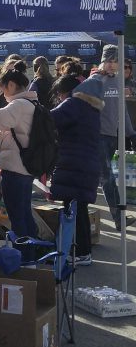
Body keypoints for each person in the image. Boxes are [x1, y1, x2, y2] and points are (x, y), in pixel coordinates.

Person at [0, 61, 40, 260]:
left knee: (17, 215)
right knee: (24, 212)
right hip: (26, 167)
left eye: (3, 88)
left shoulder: (19, 105)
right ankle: (30, 253)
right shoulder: (33, 103)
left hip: (15, 167)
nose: (3, 94)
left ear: (12, 85)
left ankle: (24, 258)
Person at [50, 76, 103, 266]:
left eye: (59, 93)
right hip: (86, 164)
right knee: (79, 208)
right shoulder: (90, 108)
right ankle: (82, 251)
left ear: (67, 91)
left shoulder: (73, 103)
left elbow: (50, 119)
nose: (59, 98)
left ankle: (81, 252)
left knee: (74, 210)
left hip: (75, 165)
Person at [90, 44, 136, 230]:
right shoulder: (95, 80)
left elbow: (122, 109)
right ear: (102, 61)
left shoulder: (118, 81)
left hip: (111, 136)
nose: (111, 64)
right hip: (97, 135)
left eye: (115, 61)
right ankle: (119, 218)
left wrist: (131, 132)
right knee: (107, 177)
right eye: (108, 60)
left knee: (104, 176)